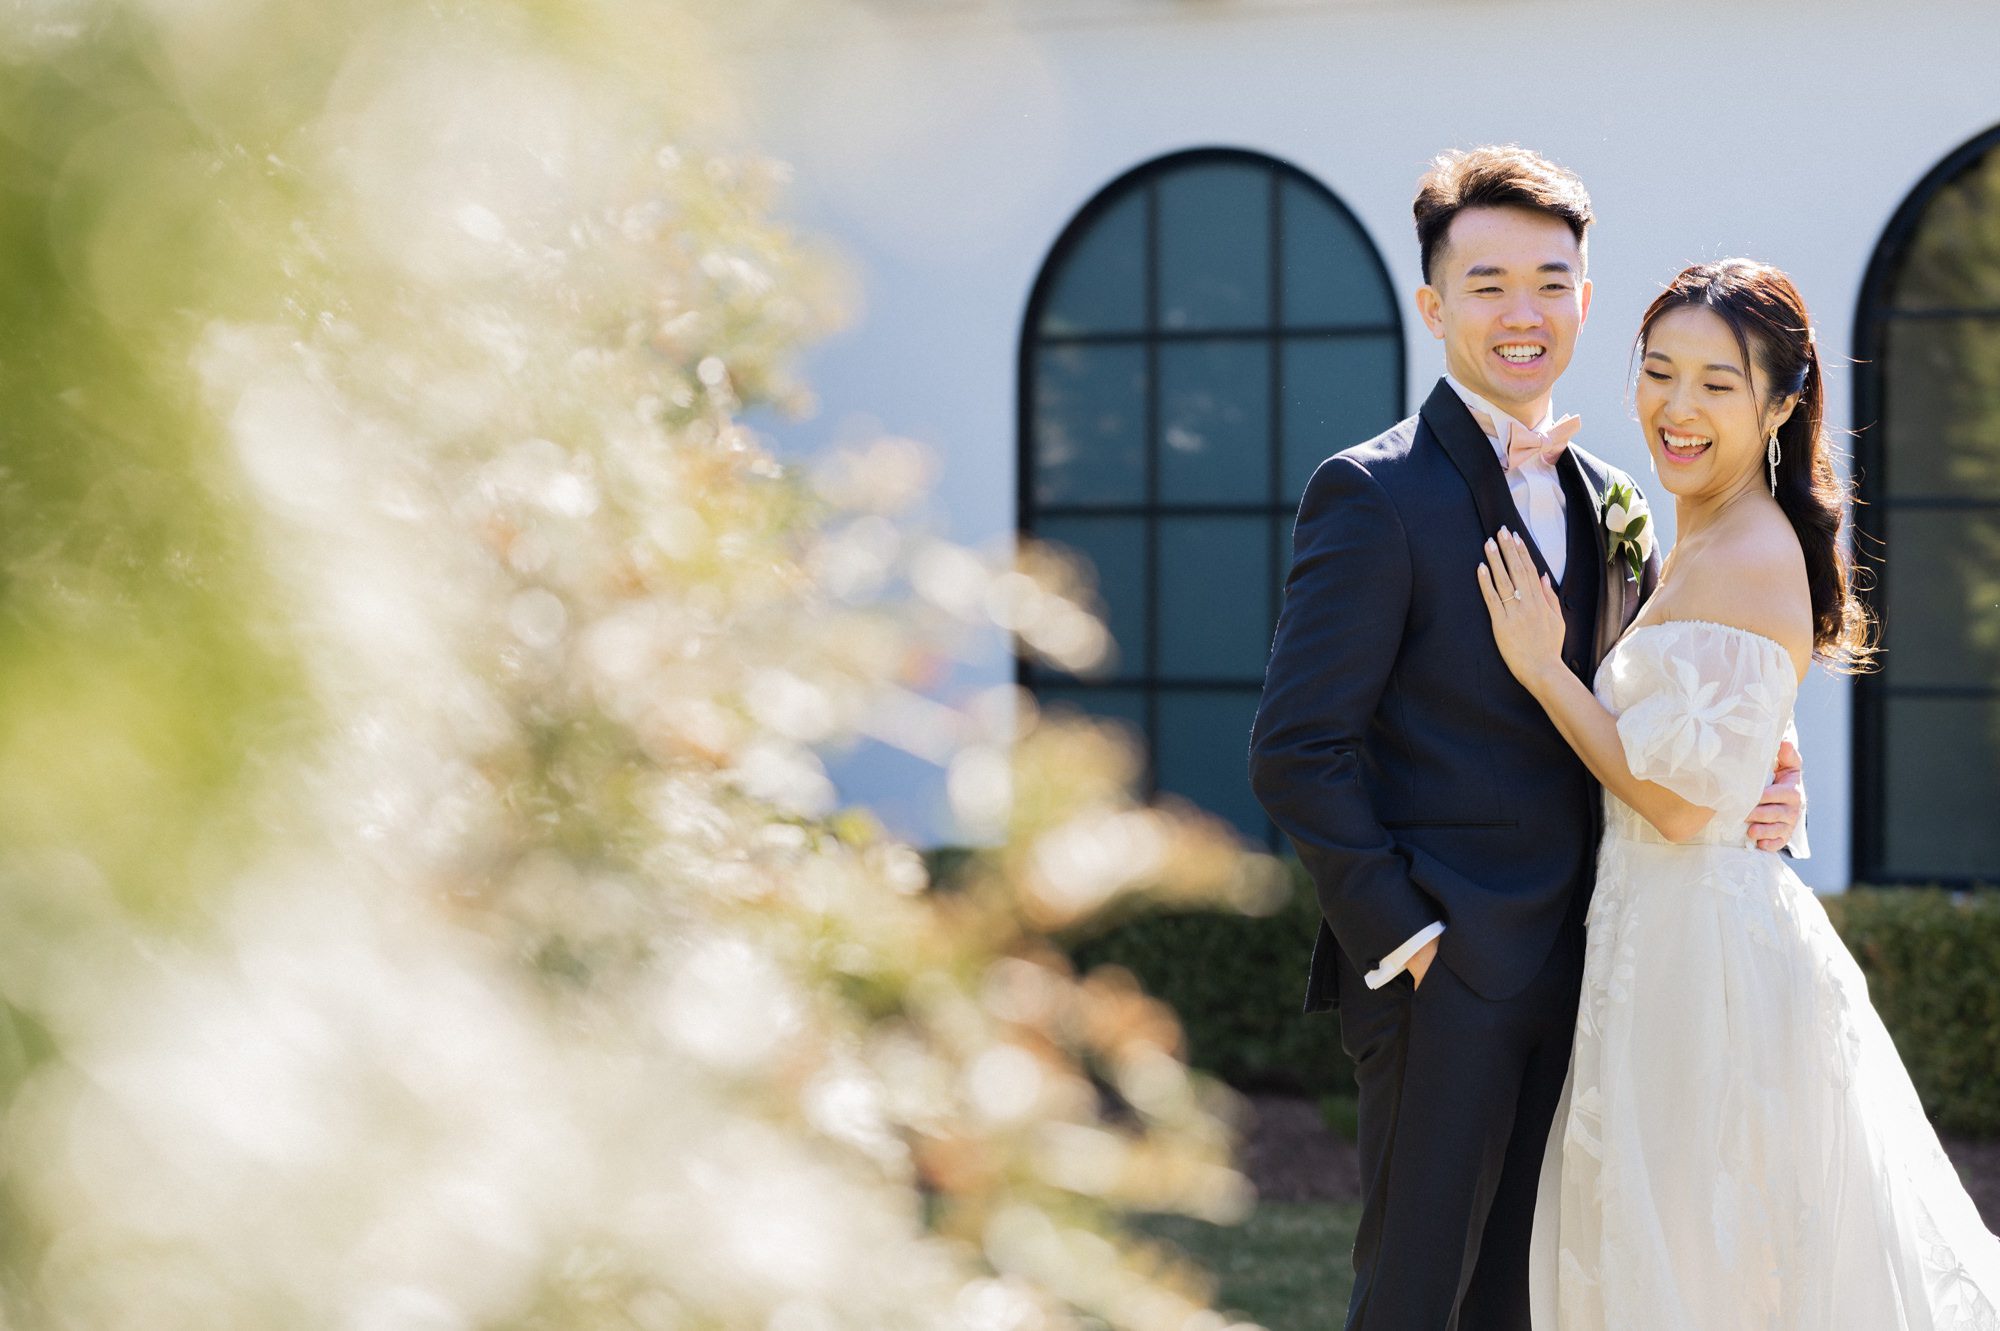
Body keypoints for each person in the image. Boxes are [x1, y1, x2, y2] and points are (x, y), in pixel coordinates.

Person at [1248, 146, 1804, 1331]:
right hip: (1446, 981)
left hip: (1608, 966)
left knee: (1537, 1299)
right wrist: (1404, 938)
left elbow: (1664, 703)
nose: (1521, 313)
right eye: (1487, 282)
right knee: (1414, 1296)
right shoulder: (1372, 493)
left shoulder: (1619, 492)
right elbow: (1296, 746)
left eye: (1550, 282)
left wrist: (1768, 777)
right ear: (1433, 304)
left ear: (1585, 303)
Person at [1478, 259, 2000, 1329]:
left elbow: (1672, 805)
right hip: (1658, 929)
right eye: (1658, 371)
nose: (1676, 406)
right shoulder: (1706, 529)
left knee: (1702, 1258)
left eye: (1715, 383)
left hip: (1696, 960)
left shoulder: (1748, 549)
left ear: (1778, 399)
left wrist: (1544, 672)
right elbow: (1712, 738)